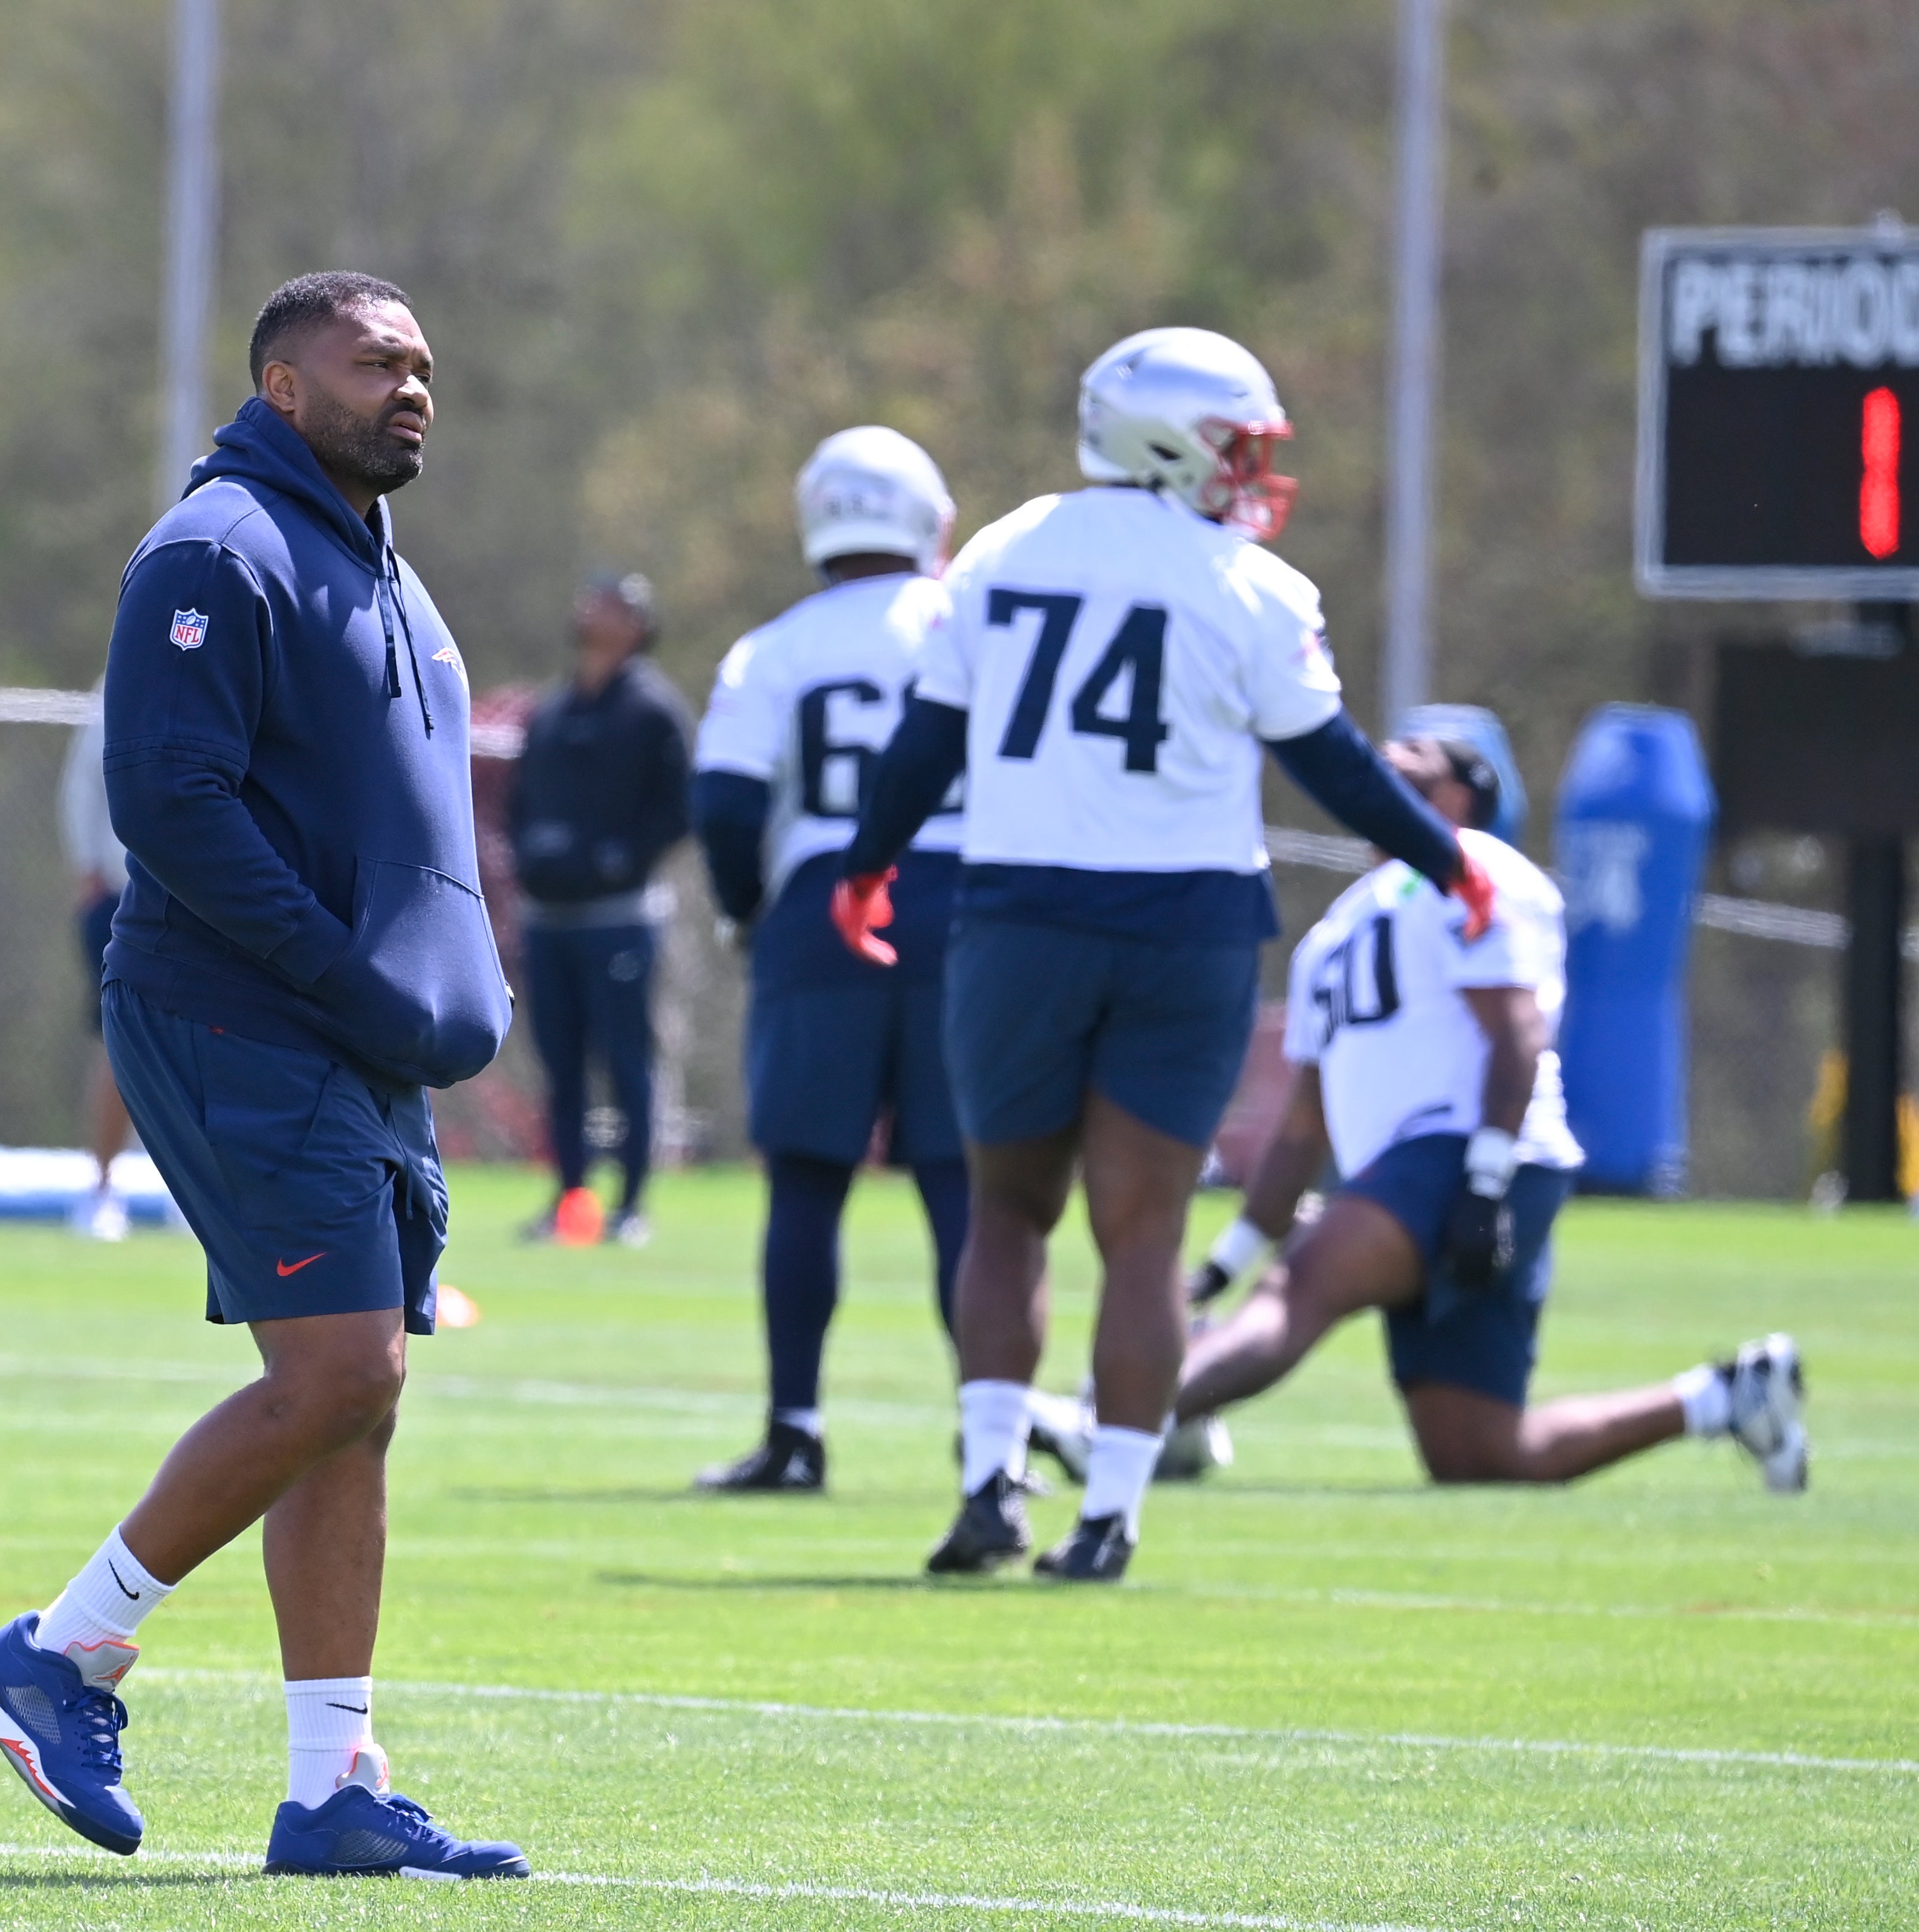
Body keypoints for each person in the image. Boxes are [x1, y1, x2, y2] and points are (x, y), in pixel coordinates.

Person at [0, 272, 527, 1881]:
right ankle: (60, 1652)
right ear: (284, 383)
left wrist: (452, 972)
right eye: (373, 362)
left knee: (358, 1409)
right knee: (337, 1375)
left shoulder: (384, 574)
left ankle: (334, 1783)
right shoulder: (219, 549)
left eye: (424, 362)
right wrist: (348, 979)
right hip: (237, 1016)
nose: (411, 385)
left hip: (352, 1041)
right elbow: (173, 806)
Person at [836, 326, 1496, 1582]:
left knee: (1004, 1212)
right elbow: (1332, 766)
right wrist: (1444, 857)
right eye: (1238, 444)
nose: (1251, 469)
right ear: (1172, 441)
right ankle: (1110, 1516)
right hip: (1181, 925)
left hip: (1019, 915)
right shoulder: (1248, 583)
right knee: (1139, 1236)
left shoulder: (998, 551)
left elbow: (925, 740)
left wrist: (865, 864)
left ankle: (988, 1485)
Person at [1038, 736, 1808, 1492]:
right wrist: (1222, 1264)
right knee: (1477, 1453)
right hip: (1418, 1166)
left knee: (1294, 1291)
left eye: (1414, 748)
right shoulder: (1332, 930)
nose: (1385, 750)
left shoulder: (1472, 869)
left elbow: (1513, 1035)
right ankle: (1723, 1396)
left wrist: (1481, 1183)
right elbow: (1303, 1130)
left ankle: (1112, 1426)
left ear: (1460, 791)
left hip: (1469, 1149)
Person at [689, 426, 971, 1493]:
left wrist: (747, 908)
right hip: (963, 903)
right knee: (963, 1181)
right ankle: (985, 1437)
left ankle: (795, 1429)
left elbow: (724, 800)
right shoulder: (971, 625)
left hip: (817, 903)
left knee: (807, 1180)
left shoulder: (777, 646)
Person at [508, 571, 693, 1246]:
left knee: (626, 1061)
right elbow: (522, 796)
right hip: (548, 917)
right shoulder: (555, 709)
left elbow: (679, 807)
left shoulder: (652, 710)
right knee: (561, 1066)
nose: (591, 609)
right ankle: (569, 1201)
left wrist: (621, 858)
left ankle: (631, 1205)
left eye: (611, 603)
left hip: (619, 918)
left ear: (638, 625)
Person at [57, 693, 134, 1240]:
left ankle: (200, 1197)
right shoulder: (116, 688)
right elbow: (81, 786)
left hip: (205, 904)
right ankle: (102, 1189)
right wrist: (89, 868)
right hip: (123, 899)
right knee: (119, 1046)